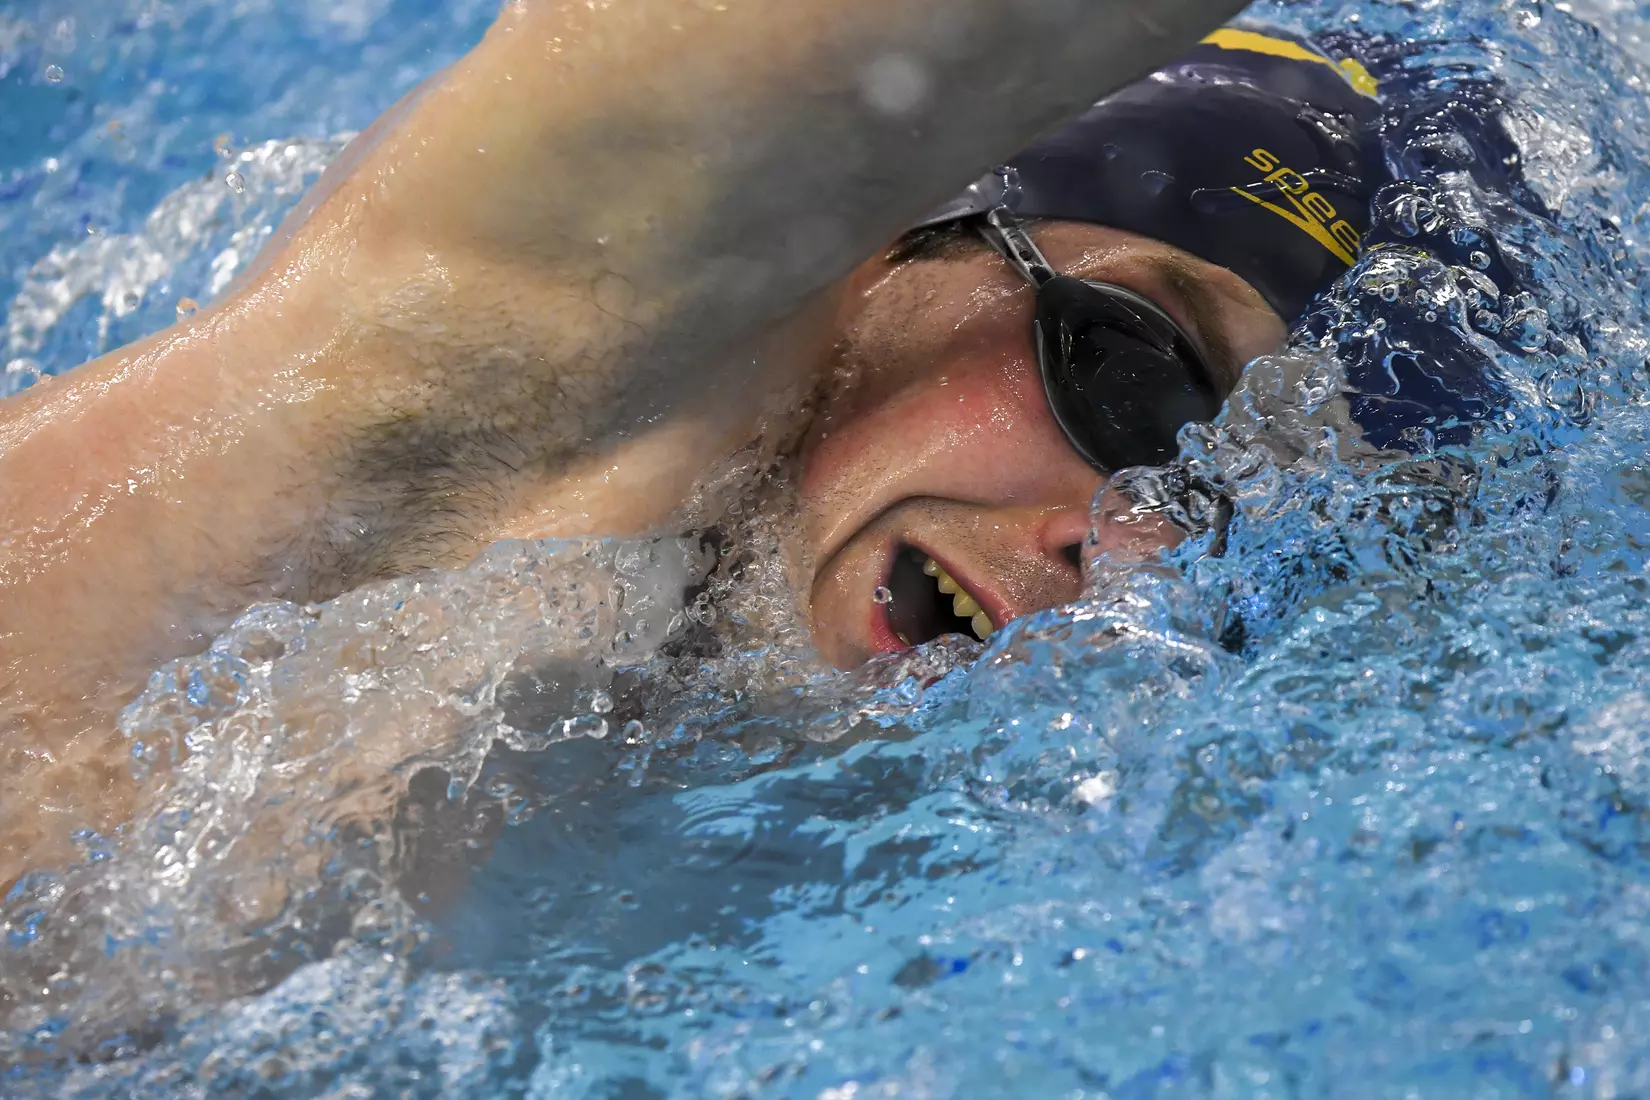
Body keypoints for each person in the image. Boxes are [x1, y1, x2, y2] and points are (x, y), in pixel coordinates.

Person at [0, 1, 1392, 884]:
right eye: (1140, 381)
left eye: (1250, 535)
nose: (1131, 552)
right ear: (882, 237)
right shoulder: (512, 381)